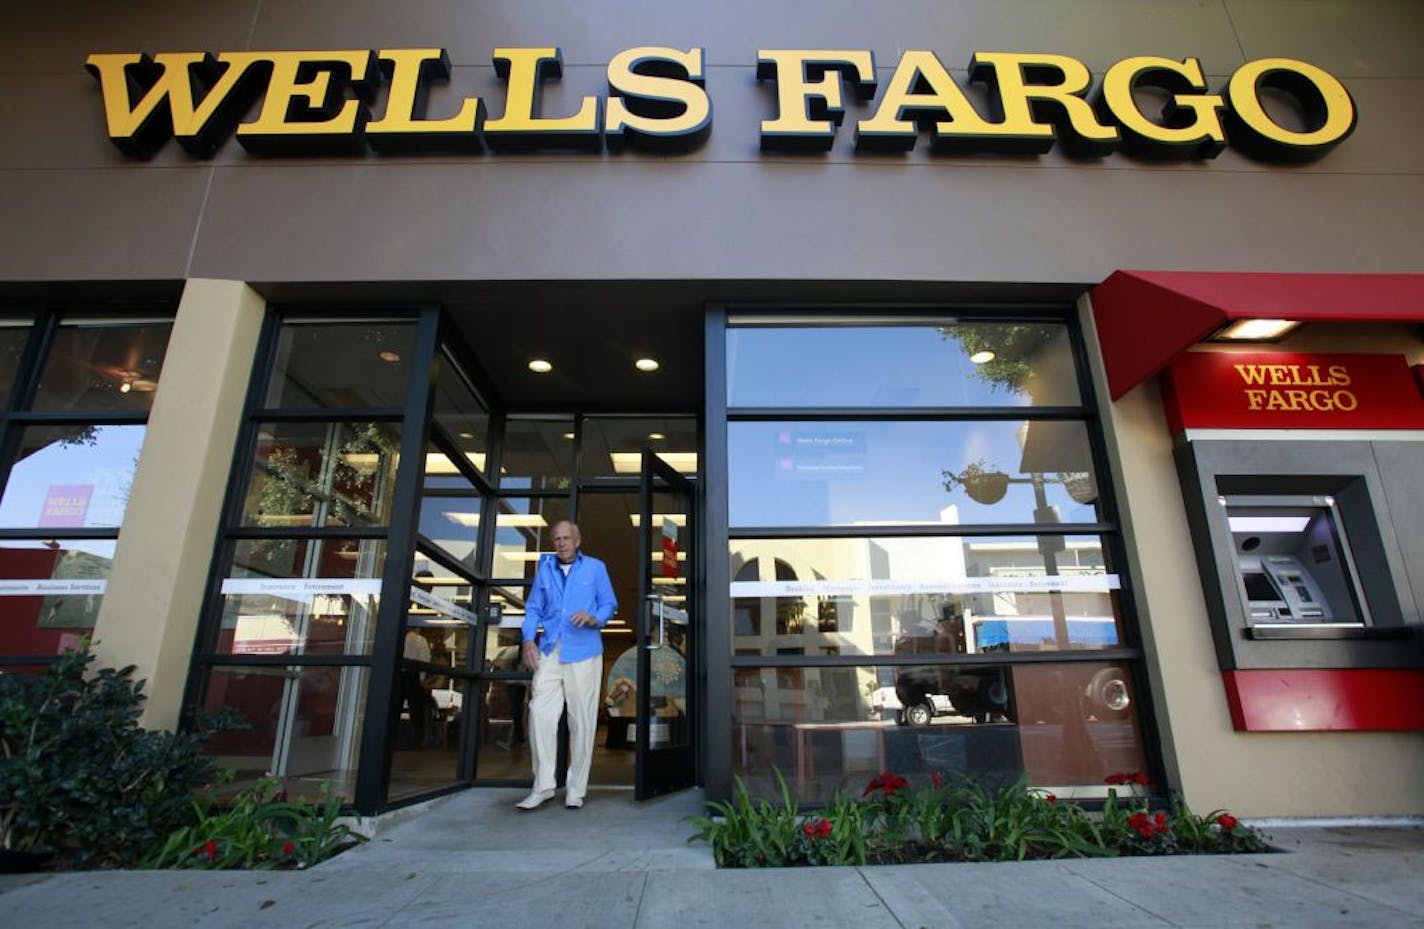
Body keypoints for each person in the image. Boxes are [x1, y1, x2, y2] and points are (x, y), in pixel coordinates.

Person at [516, 520, 617, 810]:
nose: (561, 543)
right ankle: (544, 785)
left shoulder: (595, 568)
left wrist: (594, 617)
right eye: (556, 539)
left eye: (566, 538)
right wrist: (528, 640)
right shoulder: (545, 568)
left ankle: (576, 789)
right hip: (550, 648)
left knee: (582, 721)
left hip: (584, 650)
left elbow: (609, 604)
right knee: (539, 714)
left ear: (578, 540)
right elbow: (533, 608)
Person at [401, 627, 436, 748]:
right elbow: (424, 660)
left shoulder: (399, 638)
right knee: (416, 710)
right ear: (418, 628)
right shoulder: (420, 640)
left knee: (394, 707)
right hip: (414, 675)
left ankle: (392, 736)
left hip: (400, 673)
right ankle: (417, 740)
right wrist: (421, 679)